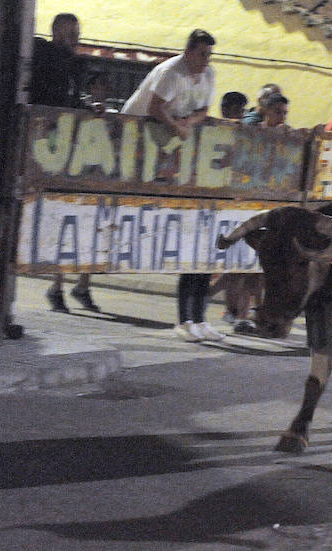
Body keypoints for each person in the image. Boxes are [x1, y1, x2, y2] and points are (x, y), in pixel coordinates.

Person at [120, 29, 223, 342]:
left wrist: (186, 125)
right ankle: (185, 320)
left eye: (209, 55)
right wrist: (176, 126)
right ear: (189, 51)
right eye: (202, 54)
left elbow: (203, 110)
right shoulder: (170, 72)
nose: (206, 60)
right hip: (137, 139)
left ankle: (198, 319)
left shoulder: (208, 75)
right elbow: (155, 108)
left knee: (202, 252)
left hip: (172, 146)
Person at [30, 13, 101, 314]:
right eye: (71, 32)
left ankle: (65, 286)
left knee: (73, 217)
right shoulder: (45, 54)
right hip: (44, 152)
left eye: (78, 32)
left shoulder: (72, 64)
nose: (76, 37)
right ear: (57, 31)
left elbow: (67, 99)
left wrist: (86, 107)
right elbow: (50, 95)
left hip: (63, 152)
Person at [211, 91, 264, 334]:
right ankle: (228, 307)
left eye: (243, 111)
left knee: (246, 265)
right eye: (237, 110)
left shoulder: (246, 135)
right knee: (233, 267)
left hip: (243, 204)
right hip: (223, 205)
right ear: (226, 110)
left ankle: (243, 314)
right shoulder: (215, 132)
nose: (241, 115)